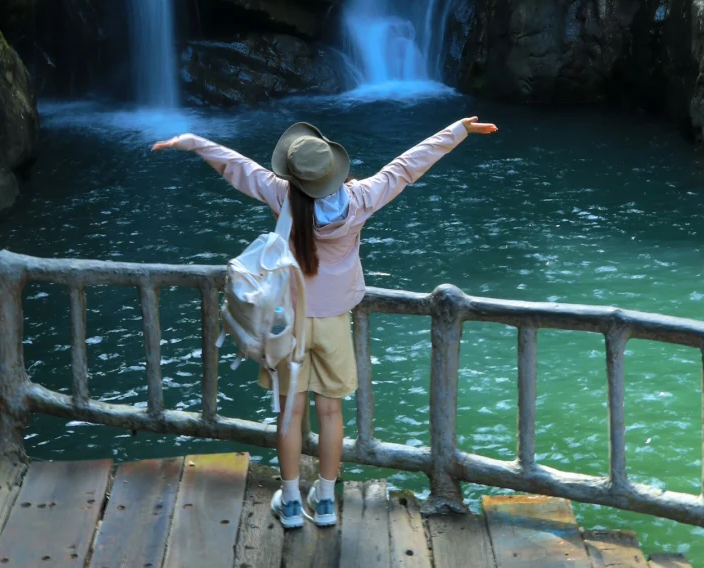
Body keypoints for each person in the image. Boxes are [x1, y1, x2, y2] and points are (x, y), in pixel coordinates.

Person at [151, 114, 498, 529]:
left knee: (289, 414)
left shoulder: (282, 195)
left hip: (288, 323)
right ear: (334, 170)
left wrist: (193, 141)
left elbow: (237, 168)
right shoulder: (362, 198)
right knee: (330, 412)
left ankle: (291, 502)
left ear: (294, 176)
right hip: (334, 321)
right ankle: (328, 500)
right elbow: (407, 166)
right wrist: (458, 130)